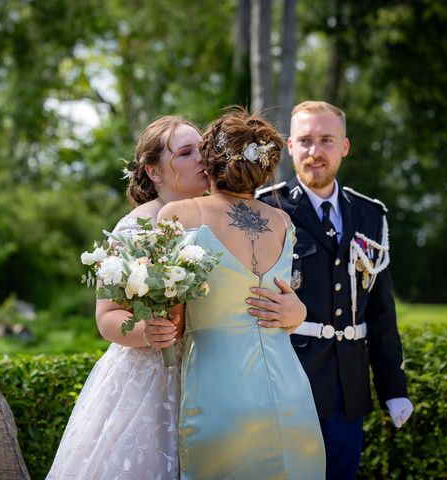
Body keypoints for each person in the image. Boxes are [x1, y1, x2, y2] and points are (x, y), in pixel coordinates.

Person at [47, 115, 307, 479]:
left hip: (218, 375)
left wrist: (294, 309)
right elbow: (106, 316)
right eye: (185, 153)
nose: (201, 158)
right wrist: (143, 333)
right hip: (154, 380)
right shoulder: (137, 225)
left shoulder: (223, 217)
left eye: (202, 149)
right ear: (154, 172)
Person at [158, 108, 326, 479]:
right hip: (293, 394)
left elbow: (173, 314)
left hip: (219, 391)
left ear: (210, 158)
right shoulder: (282, 221)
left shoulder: (179, 215)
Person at [257, 100, 413, 480]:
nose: (315, 152)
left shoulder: (369, 214)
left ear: (344, 146)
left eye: (326, 140)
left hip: (349, 384)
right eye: (305, 141)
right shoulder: (268, 209)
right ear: (290, 147)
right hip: (288, 380)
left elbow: (380, 311)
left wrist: (394, 387)